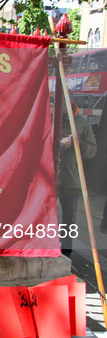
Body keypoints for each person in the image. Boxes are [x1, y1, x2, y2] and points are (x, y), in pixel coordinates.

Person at [58, 95, 97, 257]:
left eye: (61, 104)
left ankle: (66, 254)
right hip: (51, 179)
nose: (57, 107)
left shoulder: (82, 124)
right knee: (46, 219)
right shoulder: (52, 119)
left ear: (68, 103)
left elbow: (92, 151)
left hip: (72, 181)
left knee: (69, 222)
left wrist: (78, 144)